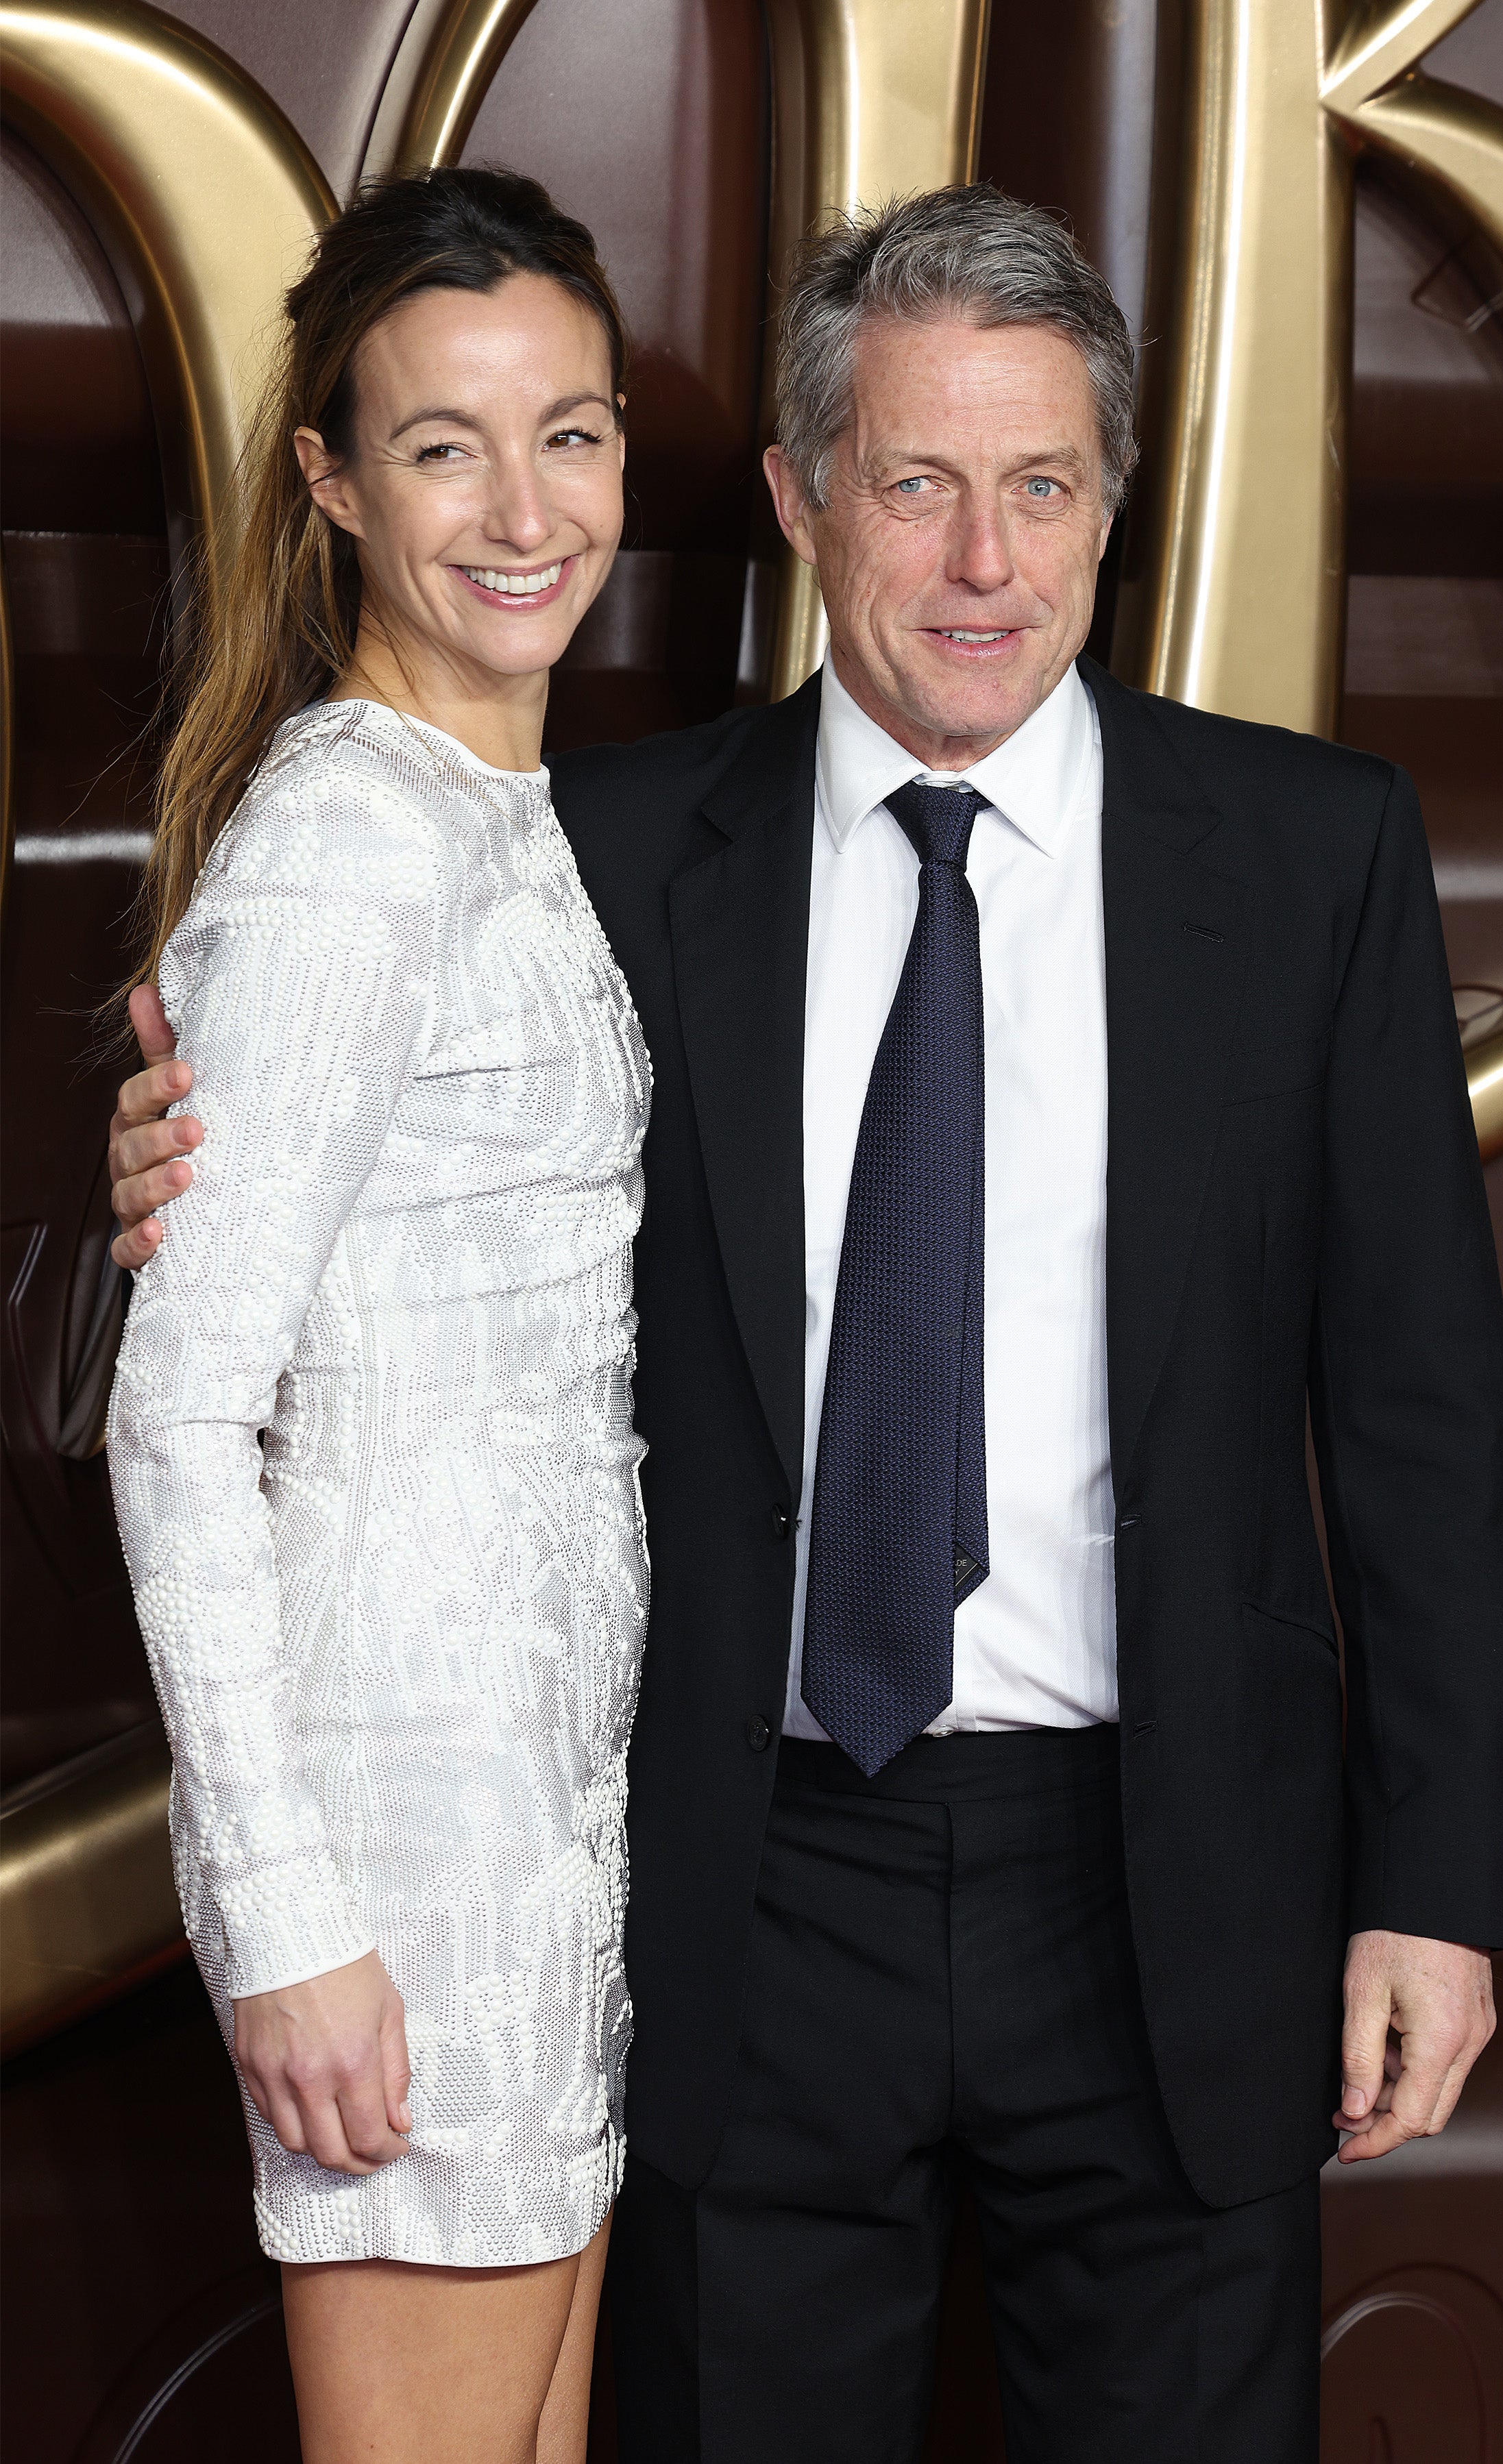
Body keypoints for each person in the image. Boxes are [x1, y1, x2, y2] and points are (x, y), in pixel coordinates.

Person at [110, 186, 1502, 2462]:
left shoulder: (1308, 855)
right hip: (745, 1885)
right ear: (793, 494)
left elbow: (1427, 1412)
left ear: (1109, 505)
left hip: (1175, 1880)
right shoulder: (602, 849)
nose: (983, 560)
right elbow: (391, 1198)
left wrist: (1438, 1889)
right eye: (916, 482)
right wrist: (163, 1172)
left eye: (1040, 484)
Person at [104, 166, 650, 2464]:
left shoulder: (500, 812)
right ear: (330, 482)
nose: (523, 509)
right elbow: (178, 1414)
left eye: (575, 431)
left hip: (543, 1827)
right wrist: (288, 1904)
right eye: (443, 444)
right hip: (405, 1865)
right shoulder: (344, 845)